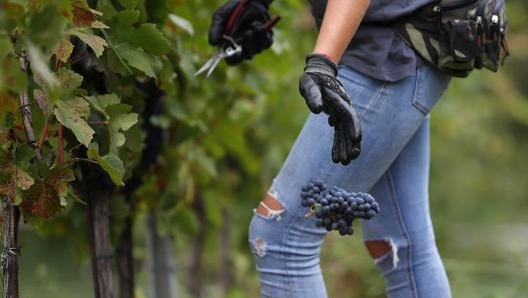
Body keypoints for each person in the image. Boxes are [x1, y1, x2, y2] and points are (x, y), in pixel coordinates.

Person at [207, 0, 452, 297]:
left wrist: (323, 63)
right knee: (400, 245)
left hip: (389, 52)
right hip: (406, 41)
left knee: (282, 238)